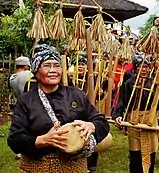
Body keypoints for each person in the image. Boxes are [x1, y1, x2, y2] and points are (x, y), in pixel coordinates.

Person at [7, 44, 109, 173]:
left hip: (75, 167)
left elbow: (102, 122)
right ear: (36, 70)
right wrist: (42, 140)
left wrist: (91, 125)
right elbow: (14, 139)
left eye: (56, 65)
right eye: (47, 65)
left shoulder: (76, 95)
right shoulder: (26, 101)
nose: (53, 70)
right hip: (37, 168)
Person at [112, 56, 159, 173]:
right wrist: (117, 115)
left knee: (151, 150)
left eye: (146, 67)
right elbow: (121, 102)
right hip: (134, 119)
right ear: (135, 69)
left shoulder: (154, 83)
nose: (143, 70)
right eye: (140, 67)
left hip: (150, 119)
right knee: (135, 152)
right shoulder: (128, 84)